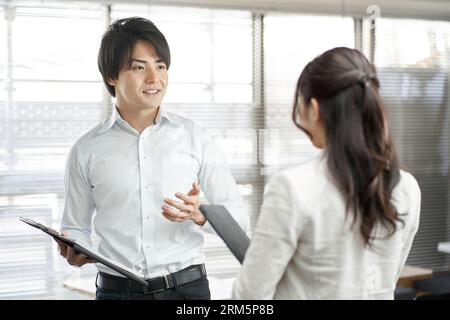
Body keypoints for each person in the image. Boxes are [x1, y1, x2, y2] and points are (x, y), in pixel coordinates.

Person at [57, 17, 249, 300]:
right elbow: (75, 226)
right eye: (138, 67)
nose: (154, 78)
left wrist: (200, 213)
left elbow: (240, 219)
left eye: (160, 66)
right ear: (112, 76)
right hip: (116, 292)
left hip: (188, 291)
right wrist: (74, 248)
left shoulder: (196, 137)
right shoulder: (86, 149)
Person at [232, 47, 421, 300]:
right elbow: (386, 277)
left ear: (314, 108)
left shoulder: (292, 187)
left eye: (300, 103)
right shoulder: (406, 186)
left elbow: (249, 297)